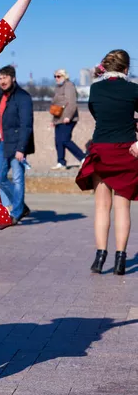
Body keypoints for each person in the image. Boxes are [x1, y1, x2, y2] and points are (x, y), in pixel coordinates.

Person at [76, 50, 138, 276]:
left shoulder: (95, 89)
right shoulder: (134, 90)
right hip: (126, 151)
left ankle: (100, 257)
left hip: (102, 149)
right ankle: (121, 260)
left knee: (102, 207)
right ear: (126, 69)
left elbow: (97, 114)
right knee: (123, 208)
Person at [0, 65, 34, 225]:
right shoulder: (2, 97)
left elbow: (26, 124)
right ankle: (21, 205)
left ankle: (16, 213)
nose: (2, 81)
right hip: (4, 142)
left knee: (18, 179)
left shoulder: (23, 97)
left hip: (17, 144)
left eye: (5, 77)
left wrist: (21, 149)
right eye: (0, 78)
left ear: (13, 78)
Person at [50, 69, 85, 170]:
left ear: (64, 76)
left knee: (65, 139)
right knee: (58, 141)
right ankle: (61, 162)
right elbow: (56, 105)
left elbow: (72, 102)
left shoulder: (69, 85)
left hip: (68, 119)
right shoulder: (57, 88)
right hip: (58, 119)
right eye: (55, 76)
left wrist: (68, 116)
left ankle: (83, 158)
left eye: (59, 76)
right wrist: (53, 120)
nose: (56, 78)